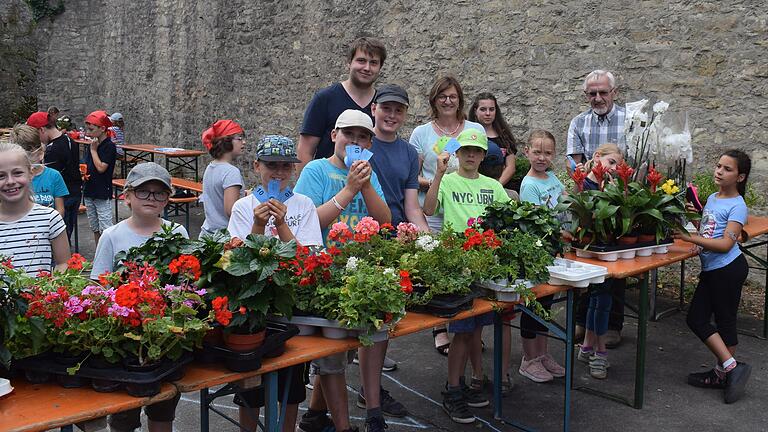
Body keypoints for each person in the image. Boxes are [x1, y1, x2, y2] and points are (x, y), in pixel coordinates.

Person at [294, 109, 391, 432]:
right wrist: (348, 189)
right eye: (349, 134)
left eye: (363, 136)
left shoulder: (368, 174)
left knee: (344, 352)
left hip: (358, 270)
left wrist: (364, 187)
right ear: (334, 136)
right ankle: (343, 426)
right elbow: (306, 222)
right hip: (324, 271)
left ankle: (314, 415)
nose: (356, 141)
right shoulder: (316, 170)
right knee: (333, 356)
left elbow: (384, 220)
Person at [227, 135, 322, 432]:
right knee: (251, 386)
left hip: (291, 302)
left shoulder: (303, 204)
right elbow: (236, 263)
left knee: (292, 383)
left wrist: (281, 225)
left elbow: (308, 260)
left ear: (293, 170)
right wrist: (258, 225)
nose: (278, 172)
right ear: (257, 166)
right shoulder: (244, 206)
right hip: (255, 308)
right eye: (271, 165)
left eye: (285, 166)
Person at [90, 162, 187, 432]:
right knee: (124, 414)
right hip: (125, 339)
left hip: (165, 335)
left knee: (164, 409)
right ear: (127, 196)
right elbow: (98, 286)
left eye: (159, 193)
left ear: (168, 198)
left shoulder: (176, 233)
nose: (152, 199)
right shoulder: (112, 236)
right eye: (144, 192)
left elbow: (185, 282)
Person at [423, 129, 509, 424]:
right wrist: (437, 174)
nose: (471, 155)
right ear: (457, 153)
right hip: (456, 266)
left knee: (474, 330)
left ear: (484, 156)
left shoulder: (493, 187)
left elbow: (508, 219)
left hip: (484, 266)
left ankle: (469, 382)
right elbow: (429, 208)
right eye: (466, 150)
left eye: (476, 151)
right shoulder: (448, 180)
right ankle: (453, 390)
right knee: (460, 331)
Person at [409, 76, 484, 356]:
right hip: (435, 208)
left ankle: (467, 328)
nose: (448, 101)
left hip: (466, 208)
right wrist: (438, 182)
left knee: (468, 267)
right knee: (438, 269)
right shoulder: (421, 133)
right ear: (434, 100)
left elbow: (482, 164)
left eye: (453, 96)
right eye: (442, 96)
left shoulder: (474, 128)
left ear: (460, 99)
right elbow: (412, 176)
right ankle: (440, 327)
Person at [675, 150, 752, 404]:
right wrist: (694, 224)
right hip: (714, 270)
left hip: (728, 269)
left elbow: (724, 245)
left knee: (703, 319)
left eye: (727, 169)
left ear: (740, 177)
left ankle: (729, 368)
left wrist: (689, 238)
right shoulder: (711, 198)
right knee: (717, 321)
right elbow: (708, 232)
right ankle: (724, 372)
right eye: (718, 166)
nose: (719, 171)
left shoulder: (738, 206)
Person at [566, 69, 627, 347]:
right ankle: (581, 321)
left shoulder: (629, 120)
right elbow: (573, 163)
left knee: (616, 263)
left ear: (614, 92)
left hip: (619, 197)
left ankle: (612, 324)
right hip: (590, 195)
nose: (598, 98)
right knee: (586, 260)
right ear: (586, 95)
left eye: (603, 92)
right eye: (592, 93)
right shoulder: (578, 122)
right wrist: (584, 179)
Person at [518, 129, 566, 383]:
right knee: (534, 305)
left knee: (547, 306)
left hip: (554, 249)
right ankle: (529, 359)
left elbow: (566, 204)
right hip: (538, 252)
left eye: (547, 153)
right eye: (537, 152)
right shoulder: (529, 185)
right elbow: (539, 221)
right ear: (527, 152)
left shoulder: (552, 178)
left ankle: (543, 353)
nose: (541, 157)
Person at [297, 37, 387, 170]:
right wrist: (307, 187)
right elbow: (305, 150)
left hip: (366, 185)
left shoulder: (383, 105)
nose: (367, 68)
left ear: (380, 67)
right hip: (326, 185)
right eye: (361, 61)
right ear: (349, 63)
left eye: (373, 63)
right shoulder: (325, 99)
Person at [573, 143, 623, 379]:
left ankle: (586, 347)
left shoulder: (610, 187)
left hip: (607, 251)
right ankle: (599, 353)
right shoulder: (585, 185)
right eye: (611, 162)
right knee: (600, 299)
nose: (614, 168)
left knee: (600, 299)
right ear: (596, 157)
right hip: (590, 250)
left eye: (618, 166)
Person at [0, 142, 70, 276]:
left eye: (17, 173)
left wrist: (52, 287)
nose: (10, 181)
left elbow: (63, 263)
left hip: (39, 296)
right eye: (1, 176)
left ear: (31, 173)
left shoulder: (50, 218)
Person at [26, 111, 83, 241]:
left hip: (62, 197)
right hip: (75, 191)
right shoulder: (69, 139)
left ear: (41, 130)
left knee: (58, 236)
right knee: (66, 231)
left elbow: (48, 179)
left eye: (35, 135)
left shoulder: (52, 149)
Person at [199, 119, 245, 238]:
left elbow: (218, 195)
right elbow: (231, 210)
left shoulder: (211, 167)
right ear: (227, 141)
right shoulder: (231, 172)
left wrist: (243, 194)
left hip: (207, 234)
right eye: (239, 138)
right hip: (224, 238)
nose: (243, 142)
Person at [11, 124, 68, 216]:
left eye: (30, 157)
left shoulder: (54, 176)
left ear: (40, 153)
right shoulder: (11, 179)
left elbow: (60, 210)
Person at [468, 92, 518, 188]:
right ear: (475, 111)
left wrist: (496, 187)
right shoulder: (468, 133)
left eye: (491, 109)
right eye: (483, 109)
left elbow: (510, 167)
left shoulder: (504, 136)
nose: (488, 113)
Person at [82, 110, 117, 245]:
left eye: (91, 129)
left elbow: (101, 168)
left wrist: (93, 151)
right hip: (90, 190)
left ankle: (109, 256)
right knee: (95, 227)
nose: (88, 132)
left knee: (106, 229)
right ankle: (99, 254)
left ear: (102, 129)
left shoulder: (109, 146)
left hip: (102, 191)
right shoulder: (93, 144)